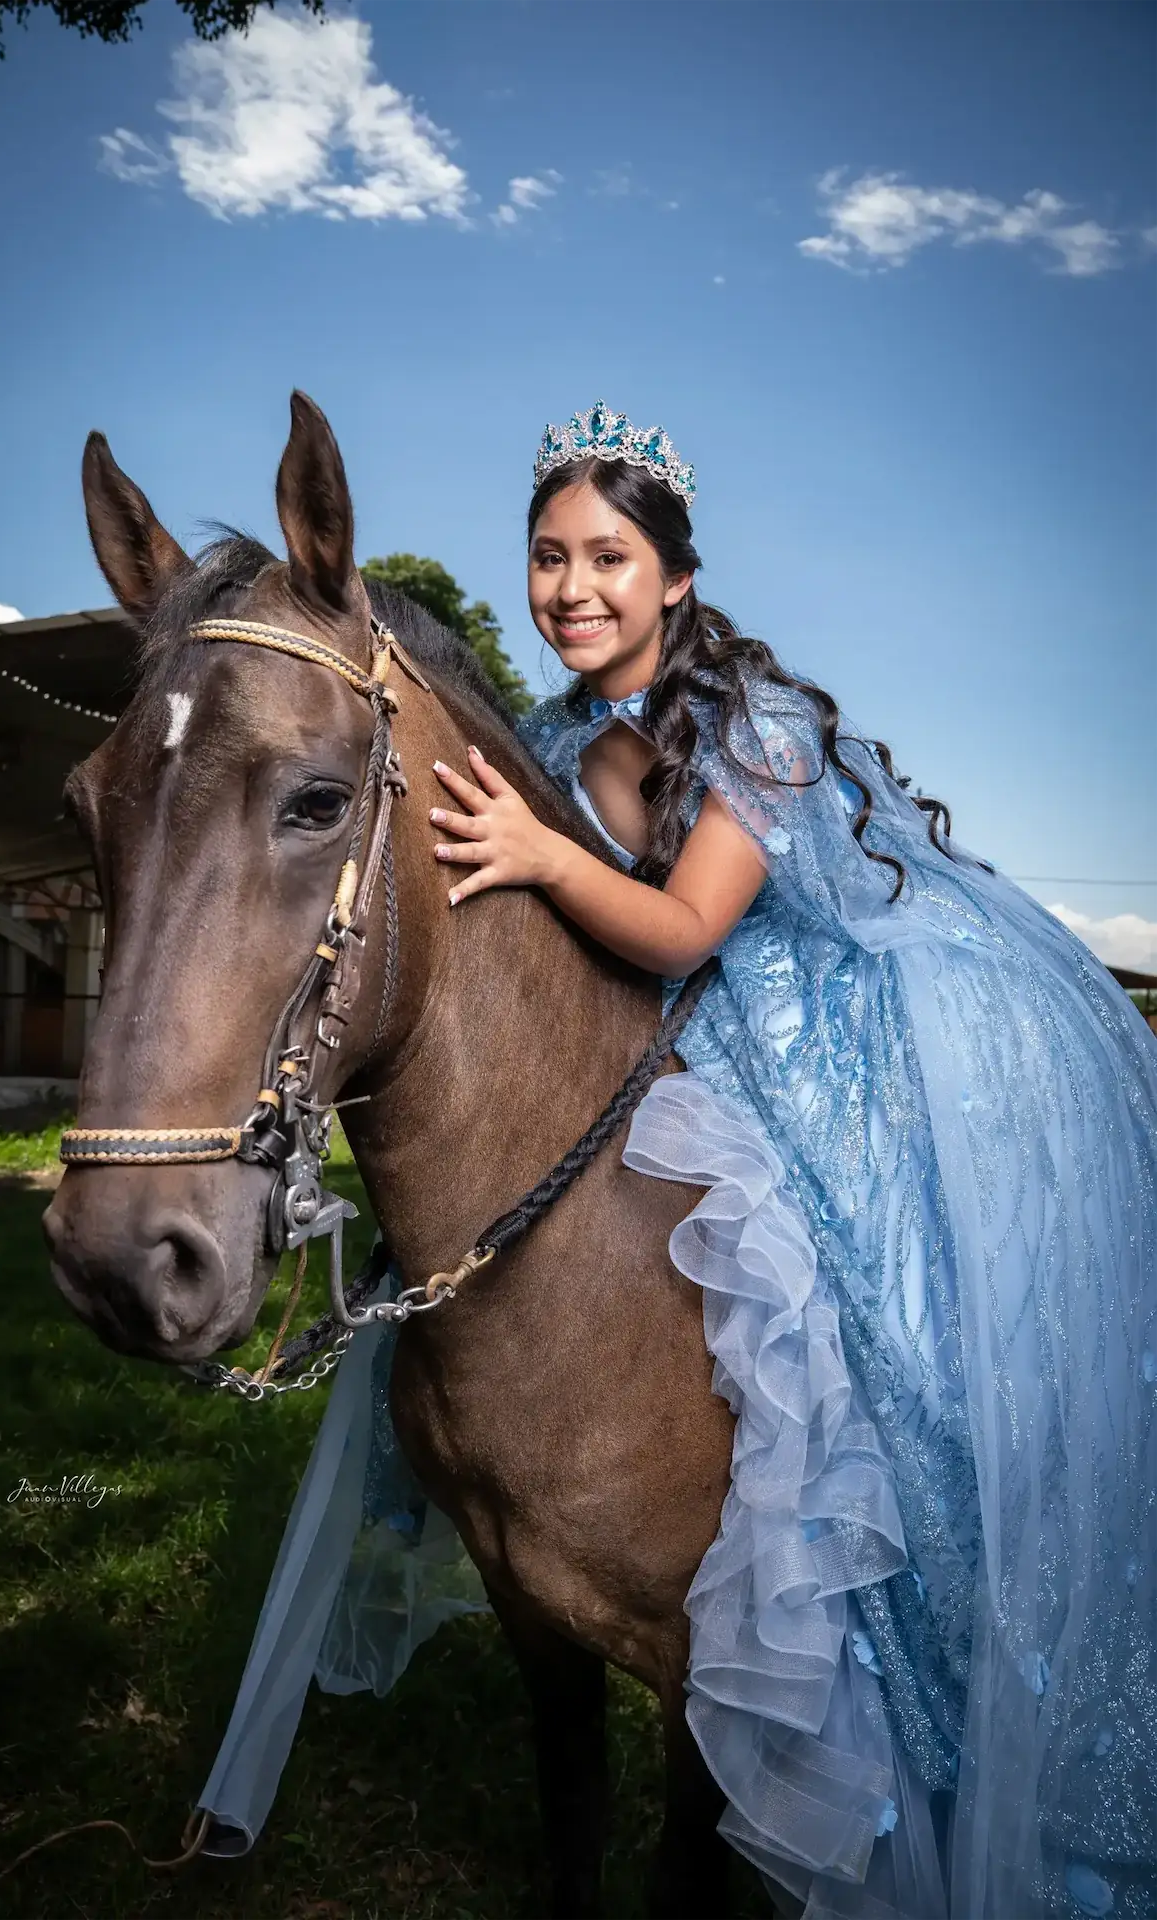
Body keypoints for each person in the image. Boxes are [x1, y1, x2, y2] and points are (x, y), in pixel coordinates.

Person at [406, 403, 1157, 1920]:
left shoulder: (750, 723)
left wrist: (548, 857)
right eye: (548, 558)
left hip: (811, 1029)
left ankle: (902, 1619)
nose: (571, 589)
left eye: (607, 557)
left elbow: (687, 930)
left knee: (872, 1316)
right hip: (648, 1021)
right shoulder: (545, 738)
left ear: (673, 575)